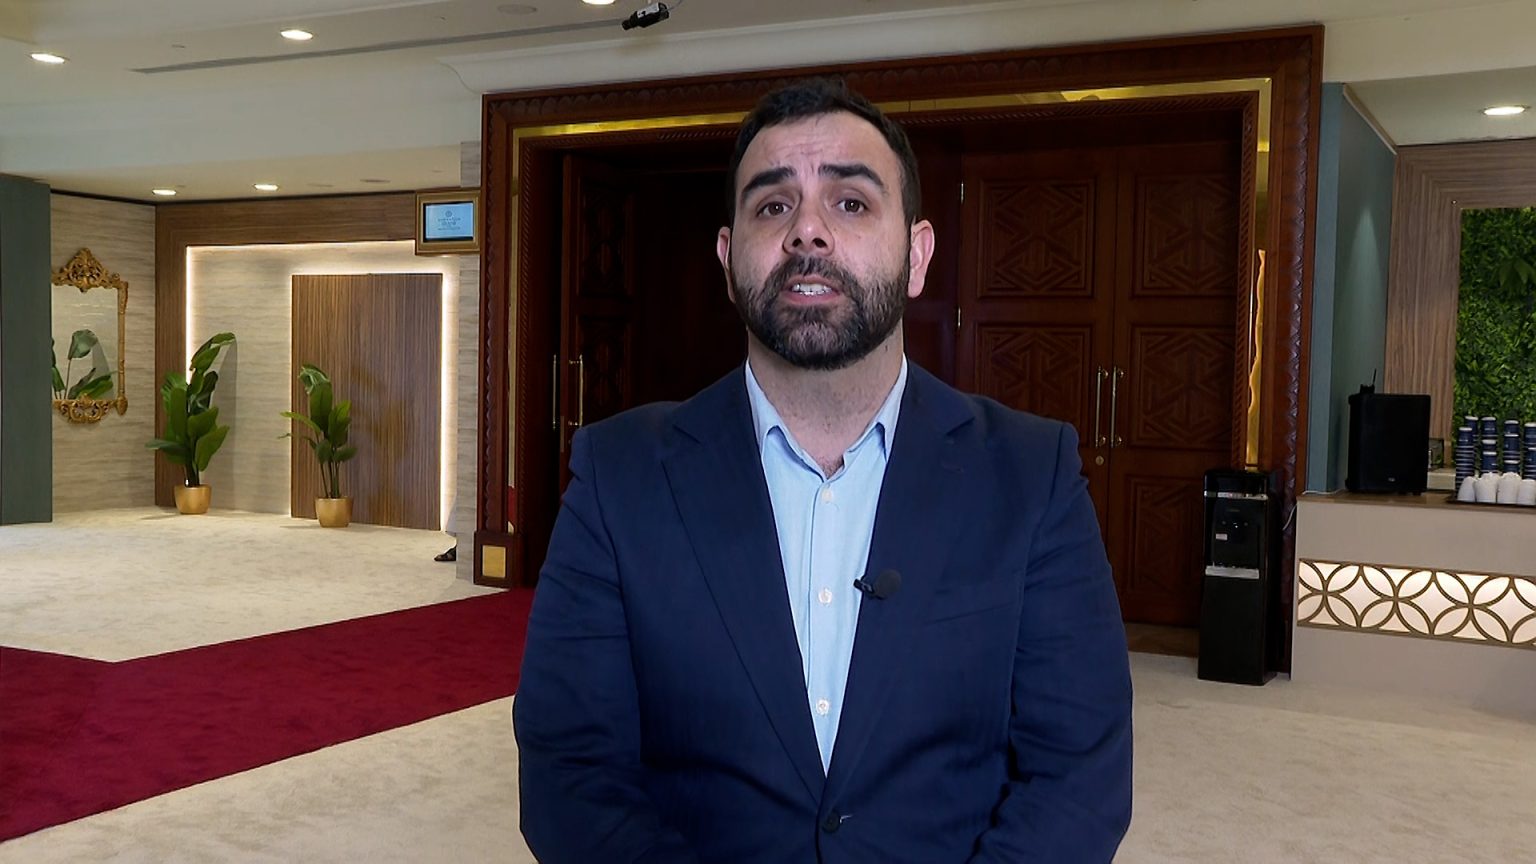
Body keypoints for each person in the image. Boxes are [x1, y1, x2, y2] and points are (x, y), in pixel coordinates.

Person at [514, 78, 1133, 863]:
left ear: (916, 256)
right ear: (728, 261)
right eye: (773, 205)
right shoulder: (618, 475)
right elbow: (571, 775)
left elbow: (1077, 778)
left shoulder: (1032, 474)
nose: (807, 230)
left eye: (851, 202)